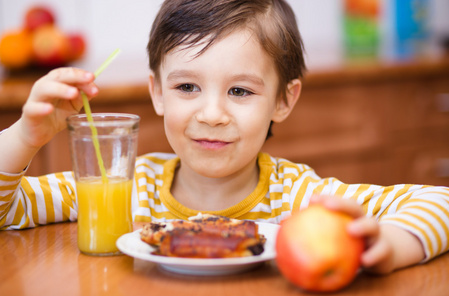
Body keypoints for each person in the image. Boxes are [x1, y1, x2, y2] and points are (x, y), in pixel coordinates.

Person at [0, 0, 448, 275]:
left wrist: (390, 246)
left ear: (283, 101)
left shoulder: (299, 198)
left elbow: (441, 203)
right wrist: (25, 135)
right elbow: (10, 209)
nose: (211, 114)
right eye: (187, 87)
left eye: (240, 91)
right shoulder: (124, 186)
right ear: (157, 92)